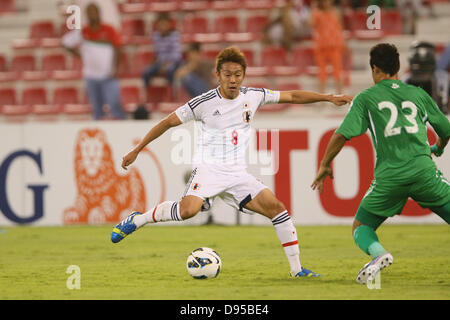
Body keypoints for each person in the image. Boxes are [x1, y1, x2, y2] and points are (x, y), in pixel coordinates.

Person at [111, 46, 352, 278]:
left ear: (244, 75)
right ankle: (139, 219)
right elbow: (166, 122)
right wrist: (137, 149)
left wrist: (328, 97)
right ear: (218, 75)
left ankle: (297, 270)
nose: (233, 80)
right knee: (188, 211)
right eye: (227, 74)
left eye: (238, 75)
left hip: (237, 174)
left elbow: (292, 96)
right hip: (208, 170)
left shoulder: (254, 96)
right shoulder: (203, 103)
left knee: (278, 209)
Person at [311, 43, 450, 285]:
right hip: (423, 173)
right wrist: (438, 147)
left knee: (361, 226)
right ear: (398, 68)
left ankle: (379, 254)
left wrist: (325, 164)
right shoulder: (418, 94)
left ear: (375, 69)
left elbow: (341, 134)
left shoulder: (366, 98)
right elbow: (446, 129)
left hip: (390, 178)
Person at [62, 2, 125, 120]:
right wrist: (80, 55)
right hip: (91, 76)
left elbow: (118, 48)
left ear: (98, 13)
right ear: (86, 15)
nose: (92, 15)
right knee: (97, 109)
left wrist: (116, 68)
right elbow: (65, 43)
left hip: (108, 75)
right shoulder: (83, 32)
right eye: (89, 12)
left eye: (94, 11)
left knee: (115, 106)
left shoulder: (109, 29)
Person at [141, 13, 182, 99]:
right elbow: (156, 53)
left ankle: (172, 95)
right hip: (159, 63)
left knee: (170, 71)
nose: (162, 26)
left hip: (172, 63)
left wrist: (166, 64)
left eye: (164, 24)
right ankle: (148, 96)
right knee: (146, 72)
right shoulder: (155, 36)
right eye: (160, 24)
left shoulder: (174, 36)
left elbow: (177, 56)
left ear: (169, 25)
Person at [308, 0, 346, 94]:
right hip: (321, 46)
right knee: (321, 73)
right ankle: (322, 97)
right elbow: (311, 24)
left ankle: (340, 95)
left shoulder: (335, 12)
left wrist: (343, 43)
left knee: (337, 71)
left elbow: (340, 28)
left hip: (335, 45)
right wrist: (313, 9)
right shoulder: (317, 13)